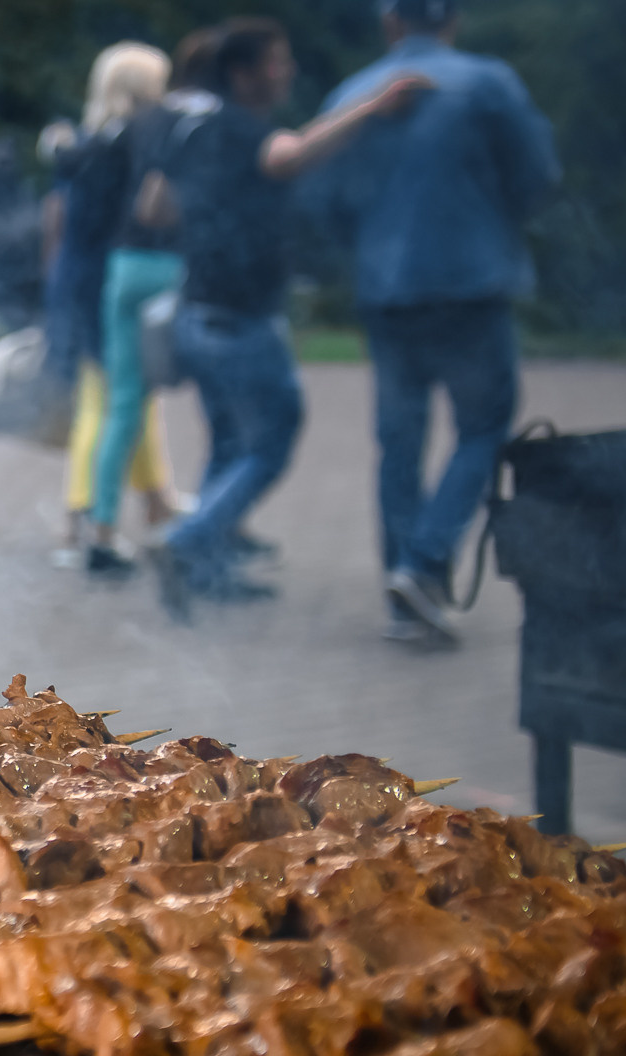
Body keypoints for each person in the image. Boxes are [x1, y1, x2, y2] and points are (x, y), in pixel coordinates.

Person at [148, 17, 429, 618]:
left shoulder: (191, 130)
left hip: (196, 311)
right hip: (241, 319)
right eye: (278, 63)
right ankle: (186, 540)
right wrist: (374, 106)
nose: (289, 72)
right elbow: (291, 155)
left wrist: (213, 212)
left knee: (227, 442)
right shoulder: (244, 128)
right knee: (272, 440)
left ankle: (211, 568)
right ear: (244, 74)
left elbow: (156, 207)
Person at [308, 0, 560, 646]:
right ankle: (422, 564)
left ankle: (404, 594)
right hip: (470, 285)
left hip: (385, 290)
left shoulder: (351, 93)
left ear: (391, 23)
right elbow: (538, 178)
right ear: (453, 20)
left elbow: (325, 200)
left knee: (400, 440)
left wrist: (369, 246)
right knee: (482, 428)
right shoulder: (487, 81)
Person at [41, 45, 187, 574]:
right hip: (106, 275)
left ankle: (155, 501)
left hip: (83, 278)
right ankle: (78, 521)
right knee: (106, 403)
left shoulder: (85, 141)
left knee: (129, 399)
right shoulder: (124, 143)